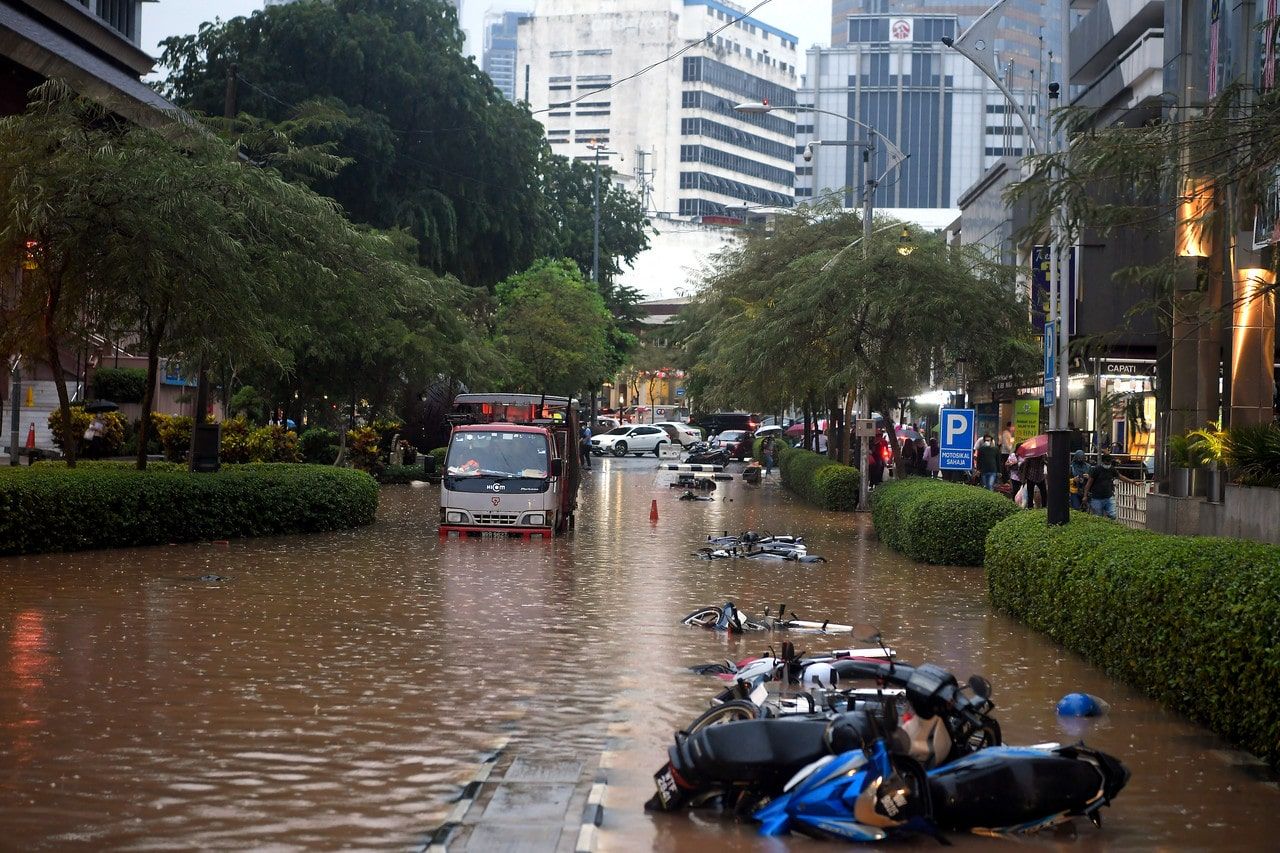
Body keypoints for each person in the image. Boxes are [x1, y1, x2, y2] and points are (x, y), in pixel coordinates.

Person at [1083, 450, 1137, 519]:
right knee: (1098, 518)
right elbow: (1089, 483)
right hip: (1096, 498)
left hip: (1108, 497)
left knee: (1113, 515)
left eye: (1109, 462)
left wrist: (1133, 482)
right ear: (1103, 461)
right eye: (1107, 462)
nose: (1108, 464)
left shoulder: (1112, 469)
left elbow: (1121, 477)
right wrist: (1085, 496)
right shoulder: (1096, 469)